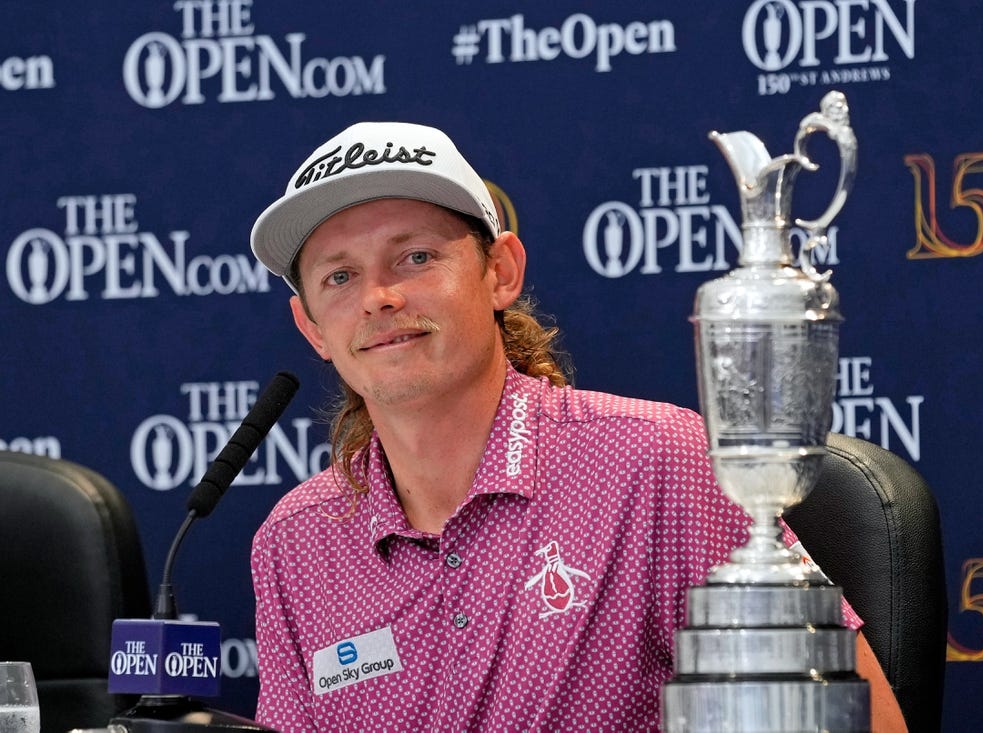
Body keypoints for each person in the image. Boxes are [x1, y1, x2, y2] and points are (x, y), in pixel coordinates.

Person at [248, 121, 907, 732]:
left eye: (415, 257)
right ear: (312, 329)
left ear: (501, 272)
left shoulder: (658, 463)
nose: (379, 297)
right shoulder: (293, 543)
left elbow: (861, 721)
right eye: (340, 275)